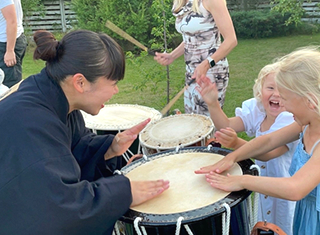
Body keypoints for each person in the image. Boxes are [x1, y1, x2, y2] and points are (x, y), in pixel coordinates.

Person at [0, 29, 169, 235]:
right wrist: (124, 192)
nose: (115, 90)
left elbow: (69, 154)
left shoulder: (56, 97)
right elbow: (57, 210)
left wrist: (109, 149)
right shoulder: (30, 122)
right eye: (113, 83)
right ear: (80, 82)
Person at [195, 46, 320, 235]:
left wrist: (242, 181)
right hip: (306, 213)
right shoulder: (305, 124)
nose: (283, 104)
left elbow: (296, 188)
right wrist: (232, 157)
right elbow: (268, 141)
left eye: (286, 98)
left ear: (310, 101)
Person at [154, 0, 237, 115]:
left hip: (212, 71)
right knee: (192, 119)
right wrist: (172, 55)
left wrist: (207, 63)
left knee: (206, 124)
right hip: (192, 71)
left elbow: (231, 40)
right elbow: (192, 37)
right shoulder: (181, 2)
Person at [0, 0, 27, 88]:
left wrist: (10, 51)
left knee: (10, 87)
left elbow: (12, 21)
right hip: (10, 41)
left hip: (7, 44)